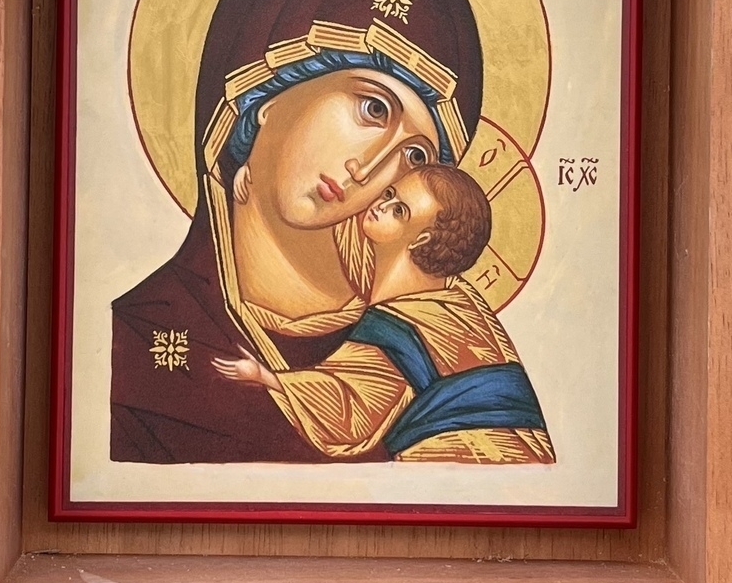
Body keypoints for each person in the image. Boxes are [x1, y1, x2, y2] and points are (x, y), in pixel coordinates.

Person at [109, 0, 484, 463]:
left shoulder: (438, 343)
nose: (372, 170)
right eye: (373, 108)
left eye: (415, 156)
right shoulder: (137, 349)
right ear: (265, 94)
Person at [210, 166, 553, 464]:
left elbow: (348, 406)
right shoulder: (461, 299)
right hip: (525, 460)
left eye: (399, 210)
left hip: (459, 460)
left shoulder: (399, 325)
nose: (380, 205)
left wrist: (269, 378)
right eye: (389, 193)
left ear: (423, 239)